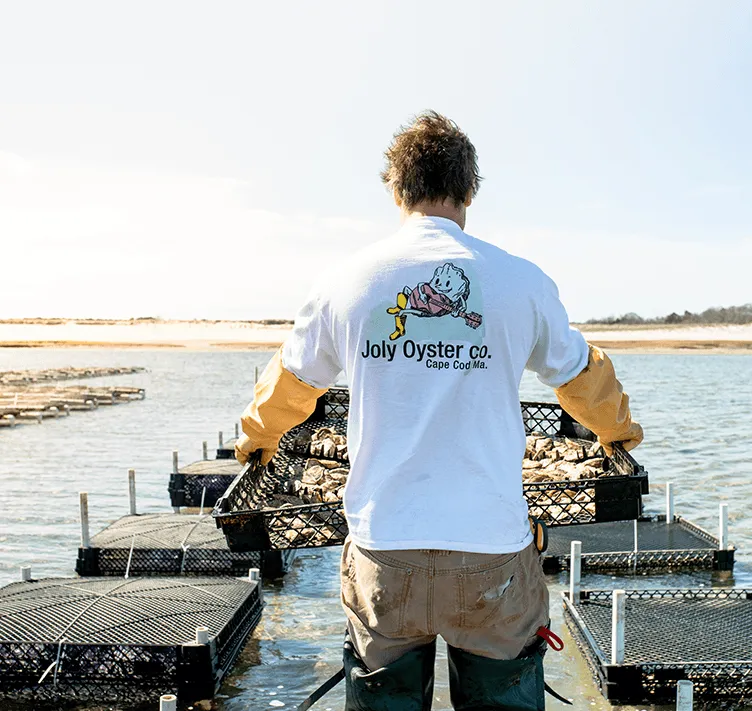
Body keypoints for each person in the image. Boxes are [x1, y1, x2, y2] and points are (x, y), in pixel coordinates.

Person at [235, 111, 643, 711]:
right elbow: (583, 376)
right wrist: (619, 433)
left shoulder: (346, 280)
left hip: (384, 549)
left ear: (394, 188)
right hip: (492, 554)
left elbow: (291, 385)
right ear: (470, 190)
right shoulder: (520, 280)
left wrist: (255, 440)